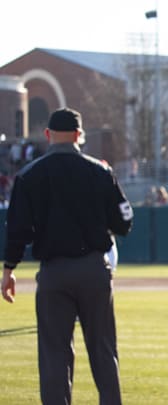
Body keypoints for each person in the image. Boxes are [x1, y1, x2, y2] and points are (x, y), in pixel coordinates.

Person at [1, 108, 133, 405]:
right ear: (79, 135)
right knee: (103, 350)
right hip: (94, 271)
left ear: (47, 135)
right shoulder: (100, 171)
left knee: (54, 355)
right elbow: (124, 221)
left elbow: (17, 229)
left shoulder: (29, 174)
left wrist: (9, 270)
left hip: (53, 273)